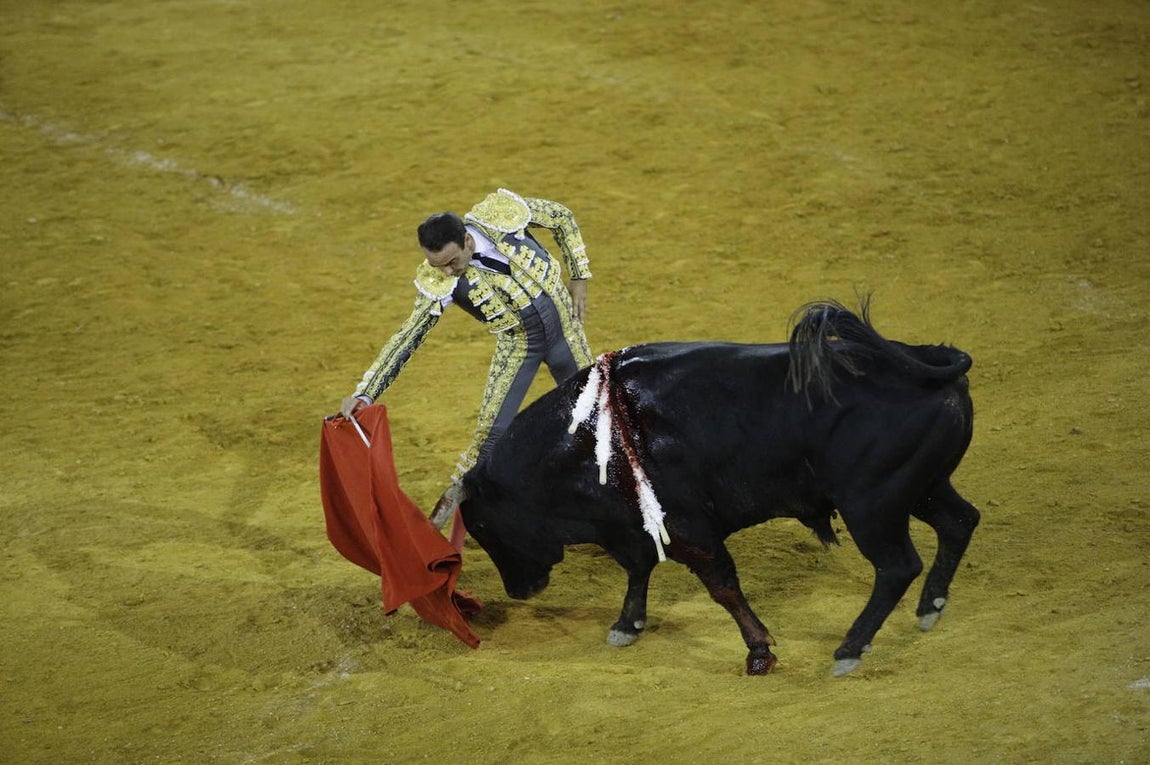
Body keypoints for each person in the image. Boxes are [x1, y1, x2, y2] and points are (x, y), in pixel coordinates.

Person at [337, 188, 594, 526]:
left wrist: (579, 276)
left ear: (467, 241)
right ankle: (442, 525)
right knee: (489, 437)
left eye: (451, 262)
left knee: (597, 413)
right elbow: (409, 335)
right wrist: (365, 391)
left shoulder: (501, 215)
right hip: (520, 347)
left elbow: (560, 216)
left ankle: (616, 507)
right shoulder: (438, 278)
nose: (445, 273)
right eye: (437, 265)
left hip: (566, 330)